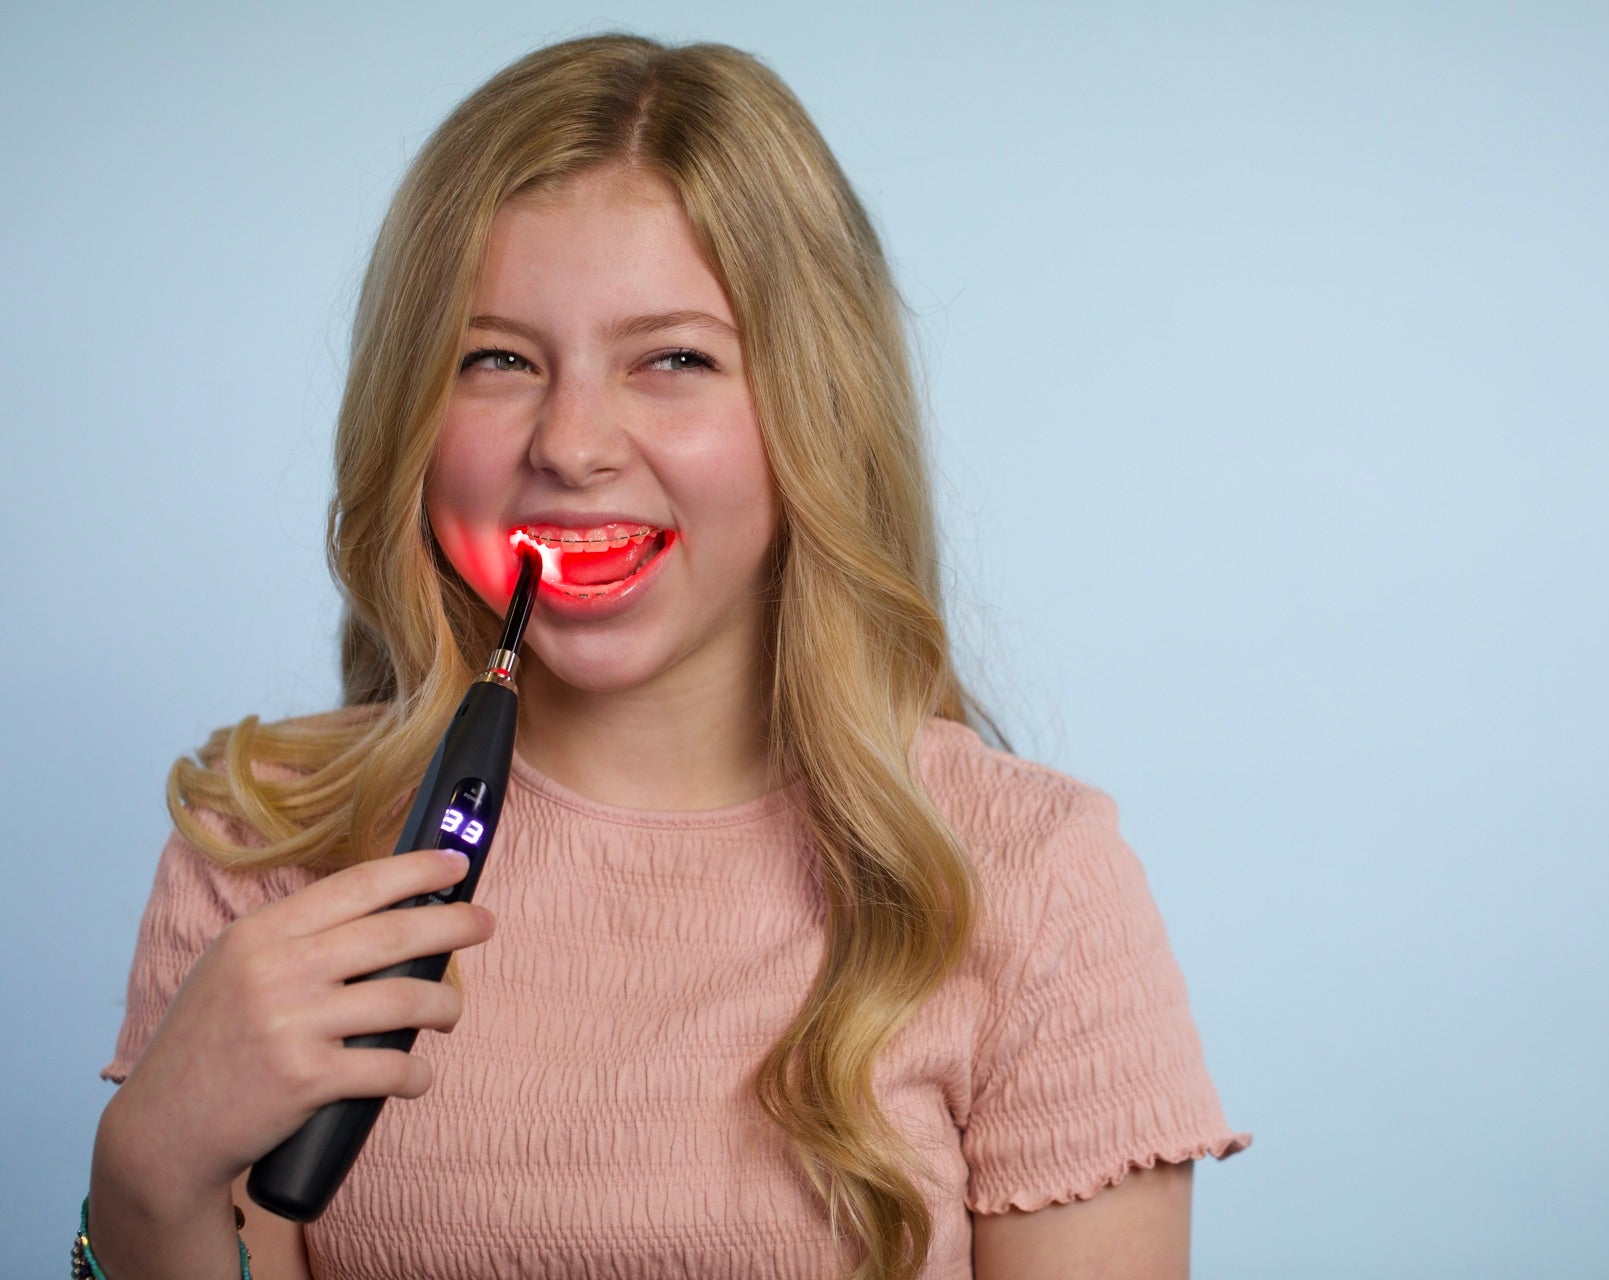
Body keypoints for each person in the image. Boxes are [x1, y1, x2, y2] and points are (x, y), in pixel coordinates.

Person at [85, 32, 1247, 1280]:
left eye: (674, 358)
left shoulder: (1030, 877)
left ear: (816, 408)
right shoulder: (265, 850)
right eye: (498, 359)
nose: (574, 444)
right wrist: (147, 1177)